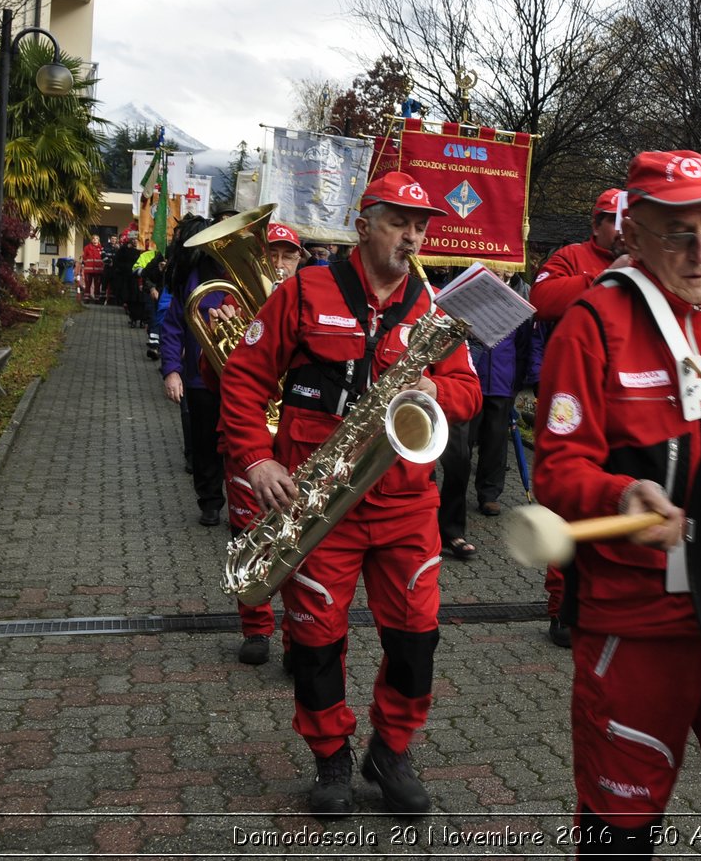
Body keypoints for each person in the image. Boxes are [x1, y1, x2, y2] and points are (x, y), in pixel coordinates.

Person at [533, 150, 701, 857]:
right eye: (680, 233)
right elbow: (556, 471)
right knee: (621, 835)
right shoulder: (593, 323)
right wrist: (621, 492)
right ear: (635, 232)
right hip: (638, 627)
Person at [219, 172, 482, 818]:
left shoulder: (435, 309)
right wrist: (255, 458)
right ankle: (330, 756)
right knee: (314, 642)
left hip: (405, 506)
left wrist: (425, 394)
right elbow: (246, 377)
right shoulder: (306, 290)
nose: (412, 236)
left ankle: (391, 750)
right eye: (398, 221)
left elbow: (469, 393)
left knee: (417, 638)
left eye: (420, 225)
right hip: (318, 503)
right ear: (363, 224)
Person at [205, 220, 310, 665]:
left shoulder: (313, 302)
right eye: (272, 255)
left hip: (299, 439)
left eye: (288, 255)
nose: (280, 264)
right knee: (250, 535)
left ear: (300, 260)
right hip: (248, 444)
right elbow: (214, 381)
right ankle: (256, 626)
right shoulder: (231, 305)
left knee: (299, 540)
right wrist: (214, 338)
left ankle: (296, 636)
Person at [529, 186, 628, 648]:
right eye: (614, 220)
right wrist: (604, 278)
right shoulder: (572, 256)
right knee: (567, 501)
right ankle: (560, 607)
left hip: (619, 399)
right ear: (597, 224)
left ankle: (605, 599)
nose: (622, 229)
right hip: (571, 395)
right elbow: (542, 298)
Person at [439, 270, 533, 559]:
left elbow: (524, 344)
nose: (501, 270)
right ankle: (443, 509)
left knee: (491, 441)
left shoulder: (519, 293)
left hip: (500, 380)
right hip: (466, 378)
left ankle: (483, 499)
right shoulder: (463, 289)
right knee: (459, 449)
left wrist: (519, 381)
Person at [159, 215, 226, 527]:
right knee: (204, 444)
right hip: (200, 378)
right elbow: (172, 326)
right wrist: (171, 370)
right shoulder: (194, 277)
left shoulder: (245, 275)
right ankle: (210, 501)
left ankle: (245, 506)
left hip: (244, 379)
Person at [82, 234, 104, 301]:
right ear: (91, 240)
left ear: (98, 240)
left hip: (98, 270)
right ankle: (87, 298)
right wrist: (87, 264)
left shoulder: (102, 248)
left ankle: (97, 298)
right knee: (88, 284)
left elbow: (103, 258)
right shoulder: (87, 248)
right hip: (88, 270)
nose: (95, 240)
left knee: (97, 285)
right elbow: (84, 257)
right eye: (93, 239)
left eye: (96, 238)